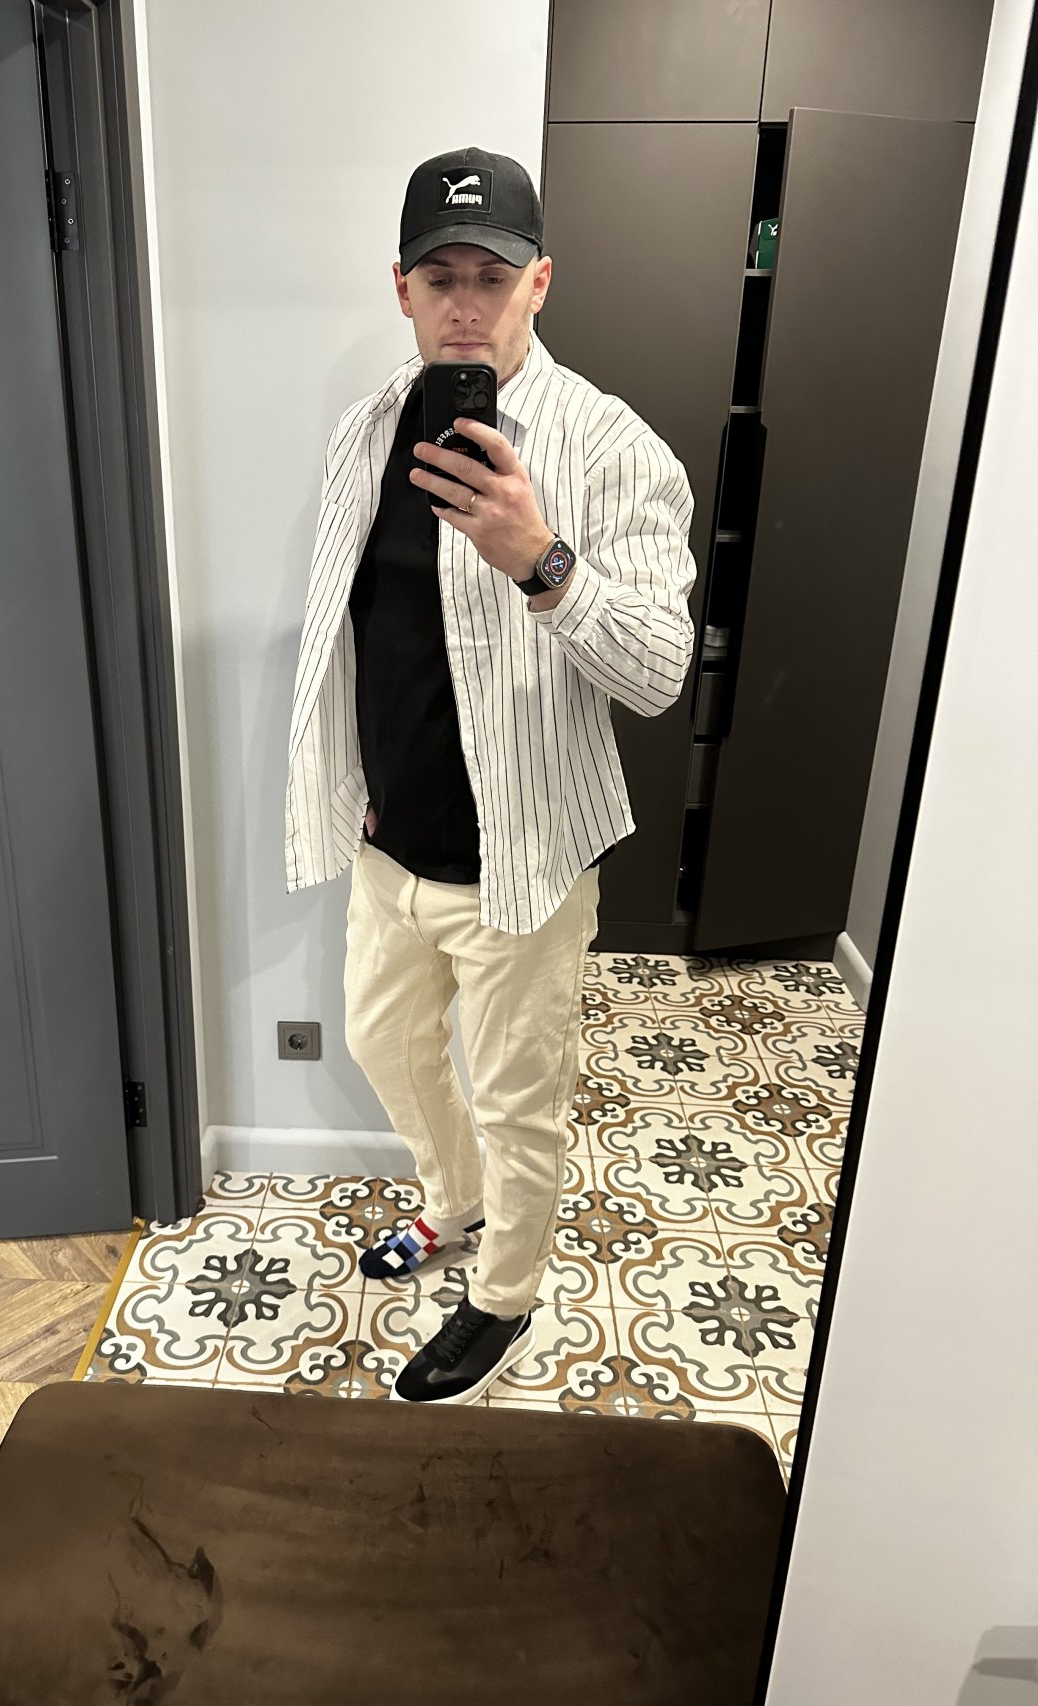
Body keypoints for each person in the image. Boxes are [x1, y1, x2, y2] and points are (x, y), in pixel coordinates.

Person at [285, 147, 697, 1405]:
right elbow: (358, 629)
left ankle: (503, 1294)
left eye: (491, 276)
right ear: (401, 289)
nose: (464, 303)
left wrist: (540, 559)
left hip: (523, 857)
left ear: (539, 284)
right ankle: (451, 1201)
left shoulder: (613, 447)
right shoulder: (368, 431)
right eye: (439, 277)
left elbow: (658, 672)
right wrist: (351, 777)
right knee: (384, 1042)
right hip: (387, 843)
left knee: (519, 1097)